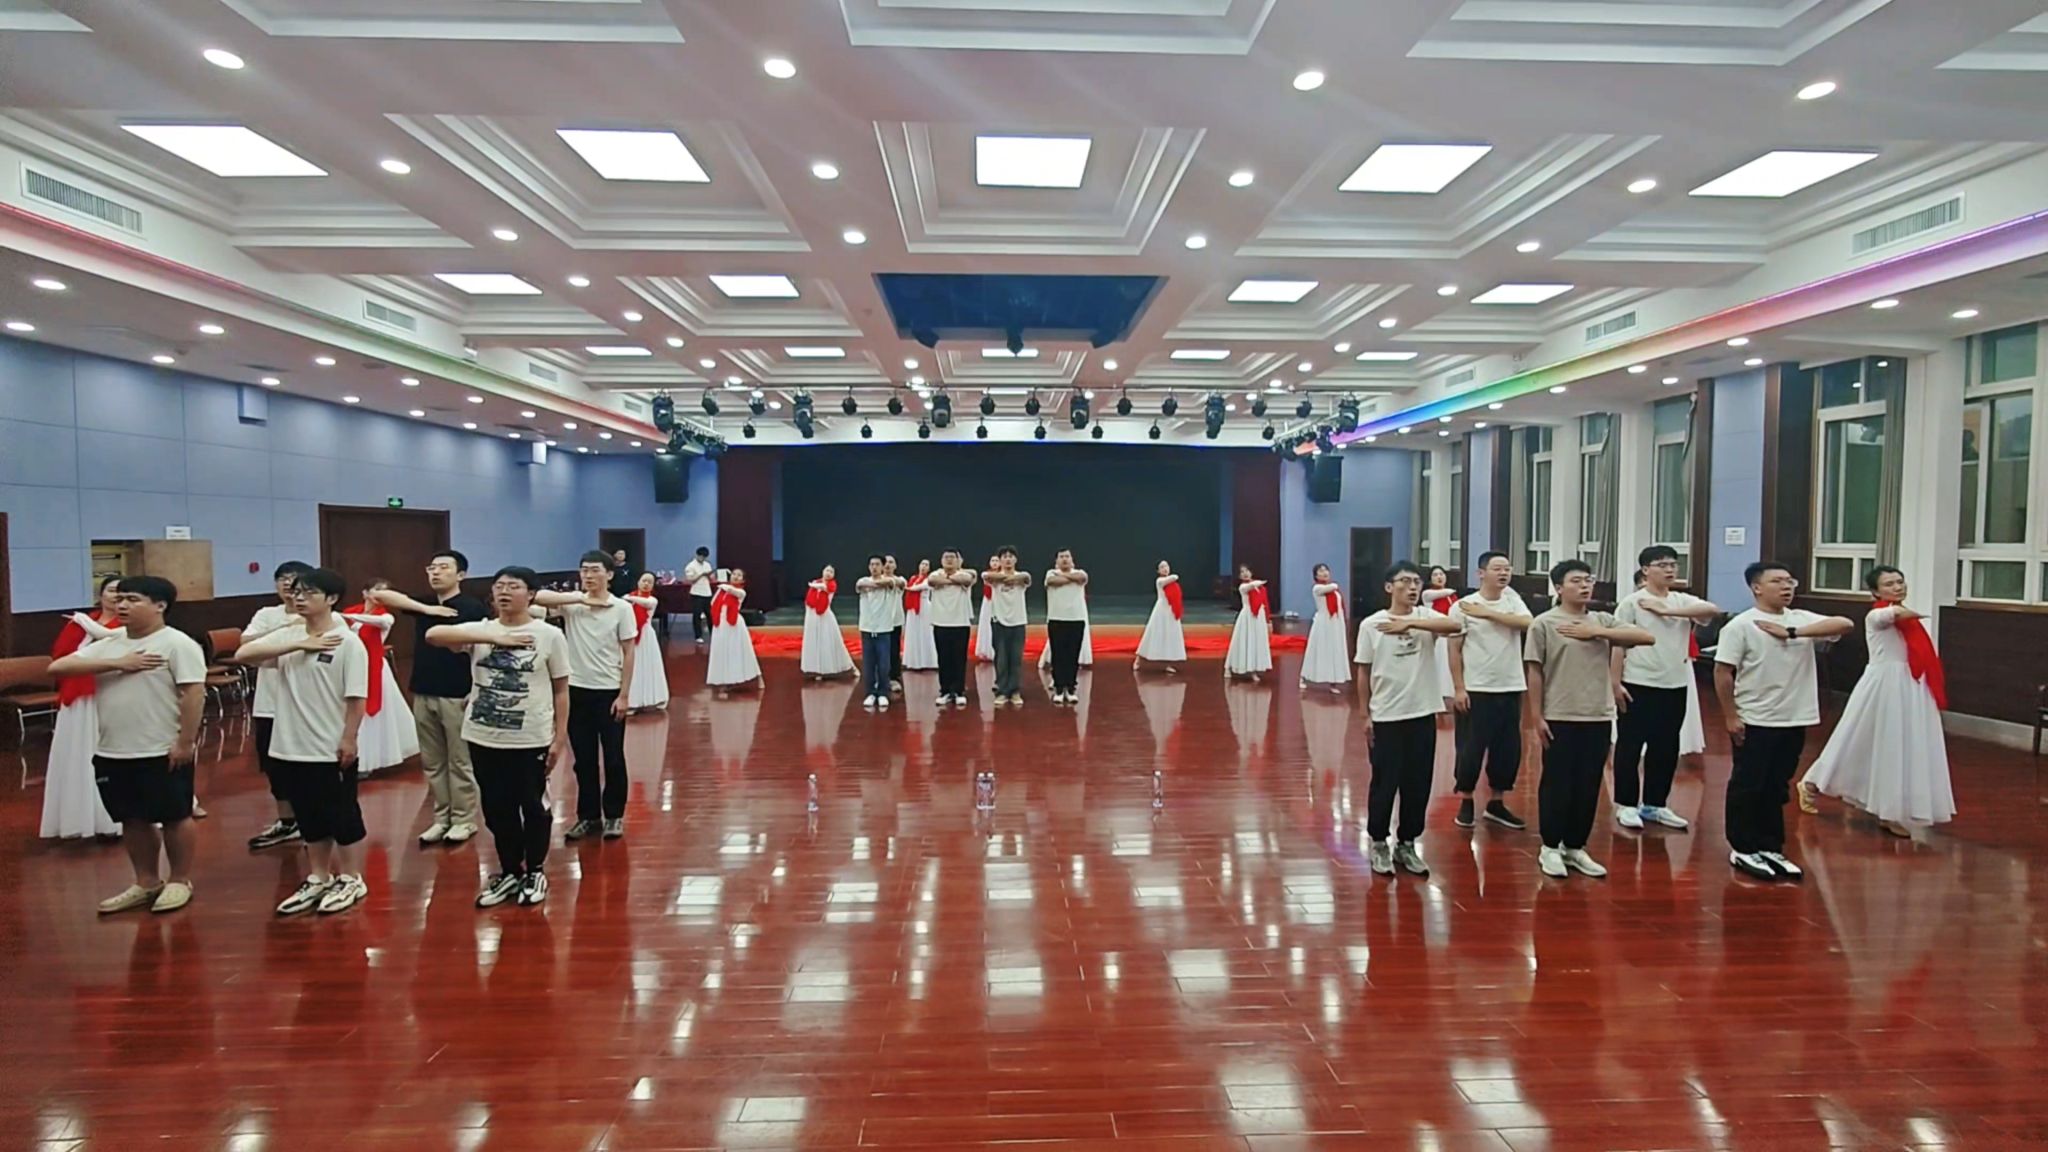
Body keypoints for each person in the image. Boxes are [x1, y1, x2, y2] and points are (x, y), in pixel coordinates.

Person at [49, 576, 206, 914]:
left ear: (160, 605)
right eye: (119, 599)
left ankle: (180, 880)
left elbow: (194, 694)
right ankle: (146, 882)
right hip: (113, 749)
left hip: (161, 748)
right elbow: (58, 666)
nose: (122, 605)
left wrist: (185, 742)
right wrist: (118, 663)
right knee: (132, 818)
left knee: (175, 815)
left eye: (132, 599)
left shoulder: (177, 643)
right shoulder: (112, 642)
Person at [427, 566, 570, 908]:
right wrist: (494, 639)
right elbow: (433, 635)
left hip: (530, 737)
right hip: (482, 735)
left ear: (531, 595)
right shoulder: (483, 630)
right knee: (496, 809)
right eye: (499, 586)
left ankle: (535, 871)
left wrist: (559, 738)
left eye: (513, 586)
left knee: (533, 806)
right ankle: (509, 871)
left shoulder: (549, 635)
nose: (504, 592)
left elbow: (561, 689)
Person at [235, 568, 373, 916]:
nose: (299, 597)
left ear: (331, 599)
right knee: (309, 815)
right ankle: (319, 876)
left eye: (308, 592)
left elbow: (356, 698)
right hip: (288, 745)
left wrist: (349, 739)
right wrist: (298, 643)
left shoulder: (347, 642)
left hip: (328, 746)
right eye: (296, 592)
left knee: (341, 814)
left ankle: (352, 877)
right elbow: (242, 655)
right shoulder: (290, 637)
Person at [1713, 561, 1855, 882]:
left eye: (1790, 580)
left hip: (1794, 717)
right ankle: (1742, 847)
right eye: (1777, 581)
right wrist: (1731, 716)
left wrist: (1793, 632)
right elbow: (1722, 672)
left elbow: (1845, 624)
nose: (1787, 586)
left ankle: (1770, 845)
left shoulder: (1800, 619)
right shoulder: (1741, 625)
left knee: (1777, 785)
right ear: (1756, 588)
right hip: (1756, 718)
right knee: (1749, 784)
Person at [1798, 566, 1954, 837]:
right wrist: (1908, 611)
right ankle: (1814, 783)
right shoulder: (1876, 616)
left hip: (1912, 685)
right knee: (1860, 741)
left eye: (1900, 582)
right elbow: (1890, 615)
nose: (1897, 587)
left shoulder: (1908, 622)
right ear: (1875, 591)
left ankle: (1888, 809)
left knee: (1903, 746)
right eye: (1889, 584)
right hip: (1884, 687)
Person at [1524, 559, 1654, 880]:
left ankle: (1575, 846)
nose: (1585, 586)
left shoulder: (1602, 620)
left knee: (1588, 783)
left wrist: (1596, 631)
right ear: (1558, 588)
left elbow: (1646, 636)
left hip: (1598, 714)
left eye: (1588, 580)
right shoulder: (1543, 624)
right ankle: (1550, 847)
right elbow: (1534, 671)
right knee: (1557, 783)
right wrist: (1536, 716)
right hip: (1559, 714)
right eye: (1576, 581)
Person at [366, 549, 488, 847]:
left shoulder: (471, 606)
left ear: (461, 575)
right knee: (433, 763)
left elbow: (480, 650)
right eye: (432, 567)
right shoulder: (425, 603)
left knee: (460, 761)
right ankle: (441, 818)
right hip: (424, 690)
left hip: (457, 693)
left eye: (444, 567)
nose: (435, 572)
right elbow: (380, 595)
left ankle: (464, 819)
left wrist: (476, 691)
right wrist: (428, 610)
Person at [1353, 561, 1463, 878]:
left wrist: (1411, 624)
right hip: (1387, 716)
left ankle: (1407, 843)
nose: (1413, 587)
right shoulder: (1372, 625)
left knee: (1418, 784)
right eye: (1405, 581)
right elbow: (1363, 672)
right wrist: (1365, 714)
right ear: (1389, 587)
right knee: (1384, 783)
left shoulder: (1425, 617)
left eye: (1417, 581)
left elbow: (1455, 626)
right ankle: (1378, 842)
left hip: (1422, 714)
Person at [1610, 546, 1720, 831]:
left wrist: (1667, 610)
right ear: (1646, 570)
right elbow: (1618, 644)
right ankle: (1626, 804)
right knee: (1630, 745)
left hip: (1674, 684)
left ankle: (1655, 804)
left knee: (1666, 746)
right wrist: (1615, 683)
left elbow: (1711, 610)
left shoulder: (1681, 600)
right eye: (1662, 565)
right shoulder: (1632, 603)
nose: (1670, 569)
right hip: (1638, 682)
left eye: (1673, 564)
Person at [533, 551, 638, 842]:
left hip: (609, 691)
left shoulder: (621, 608)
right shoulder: (573, 605)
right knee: (583, 760)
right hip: (576, 692)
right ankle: (588, 817)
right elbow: (537, 597)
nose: (588, 575)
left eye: (594, 570)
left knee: (613, 758)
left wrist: (624, 694)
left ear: (610, 574)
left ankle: (614, 815)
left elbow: (629, 652)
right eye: (584, 570)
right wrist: (580, 599)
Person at [1448, 551, 1533, 831]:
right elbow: (1454, 649)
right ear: (1481, 573)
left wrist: (1488, 614)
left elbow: (1528, 623)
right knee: (1470, 747)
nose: (1504, 573)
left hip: (1510, 685)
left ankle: (1496, 803)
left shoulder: (1512, 600)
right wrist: (1459, 688)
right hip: (1477, 687)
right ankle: (1466, 799)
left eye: (1507, 568)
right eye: (1497, 568)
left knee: (1507, 748)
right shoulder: (1463, 606)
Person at [41, 577, 123, 841]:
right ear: (101, 595)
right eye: (111, 590)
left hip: (113, 694)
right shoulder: (79, 623)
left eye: (121, 592)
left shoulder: (130, 625)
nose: (115, 596)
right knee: (79, 754)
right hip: (79, 695)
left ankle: (114, 820)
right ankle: (80, 818)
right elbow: (60, 657)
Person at [243, 559, 315, 852]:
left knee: (308, 769)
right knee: (274, 767)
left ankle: (313, 823)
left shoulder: (319, 617)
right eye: (282, 578)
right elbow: (246, 643)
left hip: (306, 707)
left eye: (294, 579)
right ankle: (287, 822)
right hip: (269, 705)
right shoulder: (267, 614)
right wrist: (287, 629)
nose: (287, 584)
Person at [340, 581, 419, 778]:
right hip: (351, 668)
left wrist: (344, 617)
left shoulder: (385, 617)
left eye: (385, 592)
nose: (381, 595)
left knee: (372, 714)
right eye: (377, 590)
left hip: (375, 669)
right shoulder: (351, 612)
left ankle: (368, 761)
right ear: (365, 592)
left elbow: (378, 622)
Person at [926, 549, 976, 706]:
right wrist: (952, 580)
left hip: (960, 623)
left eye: (952, 557)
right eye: (946, 557)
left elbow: (967, 580)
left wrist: (947, 579)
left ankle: (958, 691)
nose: (949, 560)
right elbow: (932, 581)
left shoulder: (965, 574)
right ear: (941, 560)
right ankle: (945, 691)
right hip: (940, 623)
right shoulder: (935, 574)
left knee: (959, 658)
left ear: (957, 560)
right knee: (943, 658)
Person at [984, 547, 1032, 705]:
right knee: (1001, 658)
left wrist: (1011, 578)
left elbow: (1026, 578)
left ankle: (1015, 691)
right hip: (999, 622)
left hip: (1018, 622)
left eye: (1011, 556)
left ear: (1016, 560)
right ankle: (1002, 691)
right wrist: (1005, 578)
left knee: (1016, 658)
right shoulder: (993, 578)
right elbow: (986, 576)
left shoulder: (1022, 576)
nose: (1008, 559)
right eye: (1004, 556)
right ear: (999, 560)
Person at [1042, 550, 1091, 705]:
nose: (1064, 559)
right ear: (1057, 561)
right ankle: (1058, 688)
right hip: (1056, 619)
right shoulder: (1051, 573)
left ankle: (1070, 689)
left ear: (1072, 560)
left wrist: (1066, 577)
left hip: (1076, 619)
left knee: (1072, 655)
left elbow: (1082, 578)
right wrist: (1069, 578)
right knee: (1058, 655)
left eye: (1067, 557)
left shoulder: (1080, 572)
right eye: (1061, 557)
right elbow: (1053, 581)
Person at [856, 555, 903, 709]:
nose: (874, 567)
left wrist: (879, 583)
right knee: (869, 664)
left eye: (877, 564)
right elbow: (860, 585)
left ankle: (883, 693)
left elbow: (891, 583)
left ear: (883, 567)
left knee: (884, 664)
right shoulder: (863, 580)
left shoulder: (890, 581)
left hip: (884, 629)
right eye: (872, 564)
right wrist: (876, 584)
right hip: (867, 628)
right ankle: (870, 692)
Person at [706, 570, 762, 694]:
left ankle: (758, 677)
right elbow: (712, 602)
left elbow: (733, 591)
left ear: (743, 580)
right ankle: (725, 680)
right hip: (720, 624)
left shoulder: (741, 592)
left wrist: (723, 586)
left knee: (740, 651)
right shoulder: (721, 590)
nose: (736, 576)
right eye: (734, 574)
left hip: (734, 624)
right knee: (722, 652)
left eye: (739, 575)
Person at [623, 572, 671, 711]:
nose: (646, 584)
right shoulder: (628, 599)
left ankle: (653, 698)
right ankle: (632, 702)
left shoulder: (652, 600)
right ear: (638, 582)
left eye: (649, 582)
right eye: (644, 581)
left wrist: (629, 598)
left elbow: (645, 603)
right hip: (630, 635)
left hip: (646, 636)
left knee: (648, 666)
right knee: (633, 668)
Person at [800, 565, 857, 681]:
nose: (828, 573)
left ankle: (850, 667)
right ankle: (817, 670)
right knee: (815, 643)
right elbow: (809, 601)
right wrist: (814, 585)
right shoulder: (816, 583)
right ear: (823, 572)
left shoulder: (831, 585)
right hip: (813, 618)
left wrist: (814, 585)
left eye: (831, 572)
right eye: (827, 570)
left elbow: (824, 588)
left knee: (831, 642)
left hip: (825, 618)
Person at [1300, 564, 1349, 693]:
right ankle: (1304, 677)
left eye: (1326, 570)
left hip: (1335, 623)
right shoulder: (1317, 588)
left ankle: (1333, 681)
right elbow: (1332, 587)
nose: (1324, 572)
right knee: (1317, 650)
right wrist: (1334, 585)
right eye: (1320, 571)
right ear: (1316, 576)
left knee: (1335, 651)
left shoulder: (1335, 591)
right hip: (1323, 623)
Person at [1136, 560, 1187, 672]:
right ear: (1158, 571)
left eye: (1166, 566)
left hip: (1170, 612)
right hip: (1160, 612)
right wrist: (1173, 576)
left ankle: (1168, 663)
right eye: (1162, 567)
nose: (1165, 569)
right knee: (1153, 634)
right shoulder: (1160, 581)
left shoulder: (1172, 583)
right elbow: (1174, 577)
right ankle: (1138, 660)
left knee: (1169, 637)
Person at [1225, 564, 1273, 681]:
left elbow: (1265, 604)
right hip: (1247, 617)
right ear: (1239, 576)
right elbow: (1249, 587)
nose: (1245, 573)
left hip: (1259, 618)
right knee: (1240, 642)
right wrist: (1258, 583)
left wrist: (1268, 621)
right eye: (1242, 572)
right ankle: (1228, 667)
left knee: (1255, 643)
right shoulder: (1243, 587)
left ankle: (1253, 670)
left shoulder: (1261, 589)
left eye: (1247, 571)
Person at [1423, 566, 1459, 705]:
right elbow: (1444, 592)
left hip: (1452, 636)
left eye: (1441, 574)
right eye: (1435, 575)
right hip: (1439, 637)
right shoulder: (1427, 595)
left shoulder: (1452, 597)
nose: (1439, 577)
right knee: (1440, 667)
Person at [903, 560, 938, 673]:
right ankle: (913, 661)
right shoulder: (913, 578)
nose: (924, 567)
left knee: (925, 633)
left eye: (926, 565)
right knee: (913, 632)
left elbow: (917, 588)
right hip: (913, 609)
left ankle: (927, 661)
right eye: (922, 564)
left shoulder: (929, 580)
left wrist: (907, 588)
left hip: (924, 608)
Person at [884, 555, 908, 694]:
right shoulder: (873, 581)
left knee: (894, 650)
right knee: (880, 651)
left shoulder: (900, 580)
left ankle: (894, 678)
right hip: (879, 622)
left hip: (895, 621)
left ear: (895, 566)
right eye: (885, 562)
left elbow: (899, 583)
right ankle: (881, 678)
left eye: (891, 562)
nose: (888, 565)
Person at [683, 547, 715, 647]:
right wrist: (701, 574)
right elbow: (690, 579)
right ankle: (698, 636)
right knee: (697, 615)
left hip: (707, 592)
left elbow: (712, 579)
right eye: (701, 556)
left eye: (704, 557)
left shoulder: (707, 564)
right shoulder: (691, 566)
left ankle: (713, 633)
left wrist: (710, 576)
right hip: (696, 592)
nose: (702, 558)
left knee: (710, 615)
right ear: (697, 555)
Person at [975, 554, 998, 664]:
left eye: (997, 560)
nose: (995, 563)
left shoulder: (1003, 574)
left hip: (999, 601)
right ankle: (986, 650)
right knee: (986, 624)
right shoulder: (986, 574)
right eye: (992, 560)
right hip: (988, 601)